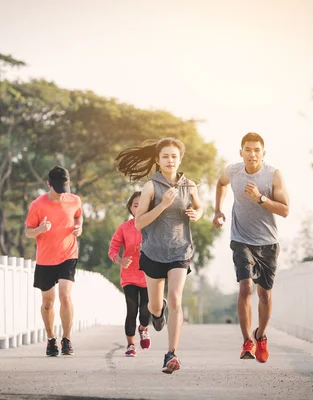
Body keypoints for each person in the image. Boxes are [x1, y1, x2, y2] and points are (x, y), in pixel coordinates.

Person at [115, 137, 203, 374]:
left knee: (175, 298)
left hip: (180, 250)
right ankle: (157, 311)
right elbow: (139, 222)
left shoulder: (189, 186)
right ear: (157, 160)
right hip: (153, 252)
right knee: (155, 307)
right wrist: (162, 205)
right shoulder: (151, 187)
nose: (170, 160)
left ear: (180, 158)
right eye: (165, 156)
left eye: (174, 156)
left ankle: (171, 354)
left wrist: (197, 214)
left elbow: (199, 206)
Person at [212, 132, 289, 363]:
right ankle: (247, 341)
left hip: (268, 242)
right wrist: (218, 210)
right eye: (248, 149)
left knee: (264, 294)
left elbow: (285, 210)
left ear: (263, 153)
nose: (252, 154)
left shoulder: (273, 175)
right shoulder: (234, 171)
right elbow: (220, 183)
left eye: (257, 150)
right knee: (245, 287)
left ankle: (261, 336)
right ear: (241, 152)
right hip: (241, 238)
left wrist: (260, 199)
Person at [25, 165, 83, 357]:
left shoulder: (74, 200)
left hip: (68, 254)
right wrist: (40, 230)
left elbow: (78, 216)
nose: (61, 193)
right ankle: (51, 339)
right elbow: (27, 232)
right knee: (48, 302)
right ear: (48, 184)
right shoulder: (37, 205)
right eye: (57, 189)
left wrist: (78, 228)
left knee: (65, 295)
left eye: (64, 188)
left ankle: (66, 339)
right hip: (46, 259)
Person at [108, 191, 151, 357]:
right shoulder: (124, 228)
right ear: (130, 208)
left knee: (145, 311)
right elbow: (112, 249)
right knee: (131, 311)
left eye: (143, 204)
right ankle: (131, 344)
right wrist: (119, 260)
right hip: (129, 277)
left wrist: (148, 250)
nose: (139, 208)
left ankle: (144, 328)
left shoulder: (153, 226)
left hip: (148, 276)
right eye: (135, 205)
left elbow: (163, 247)